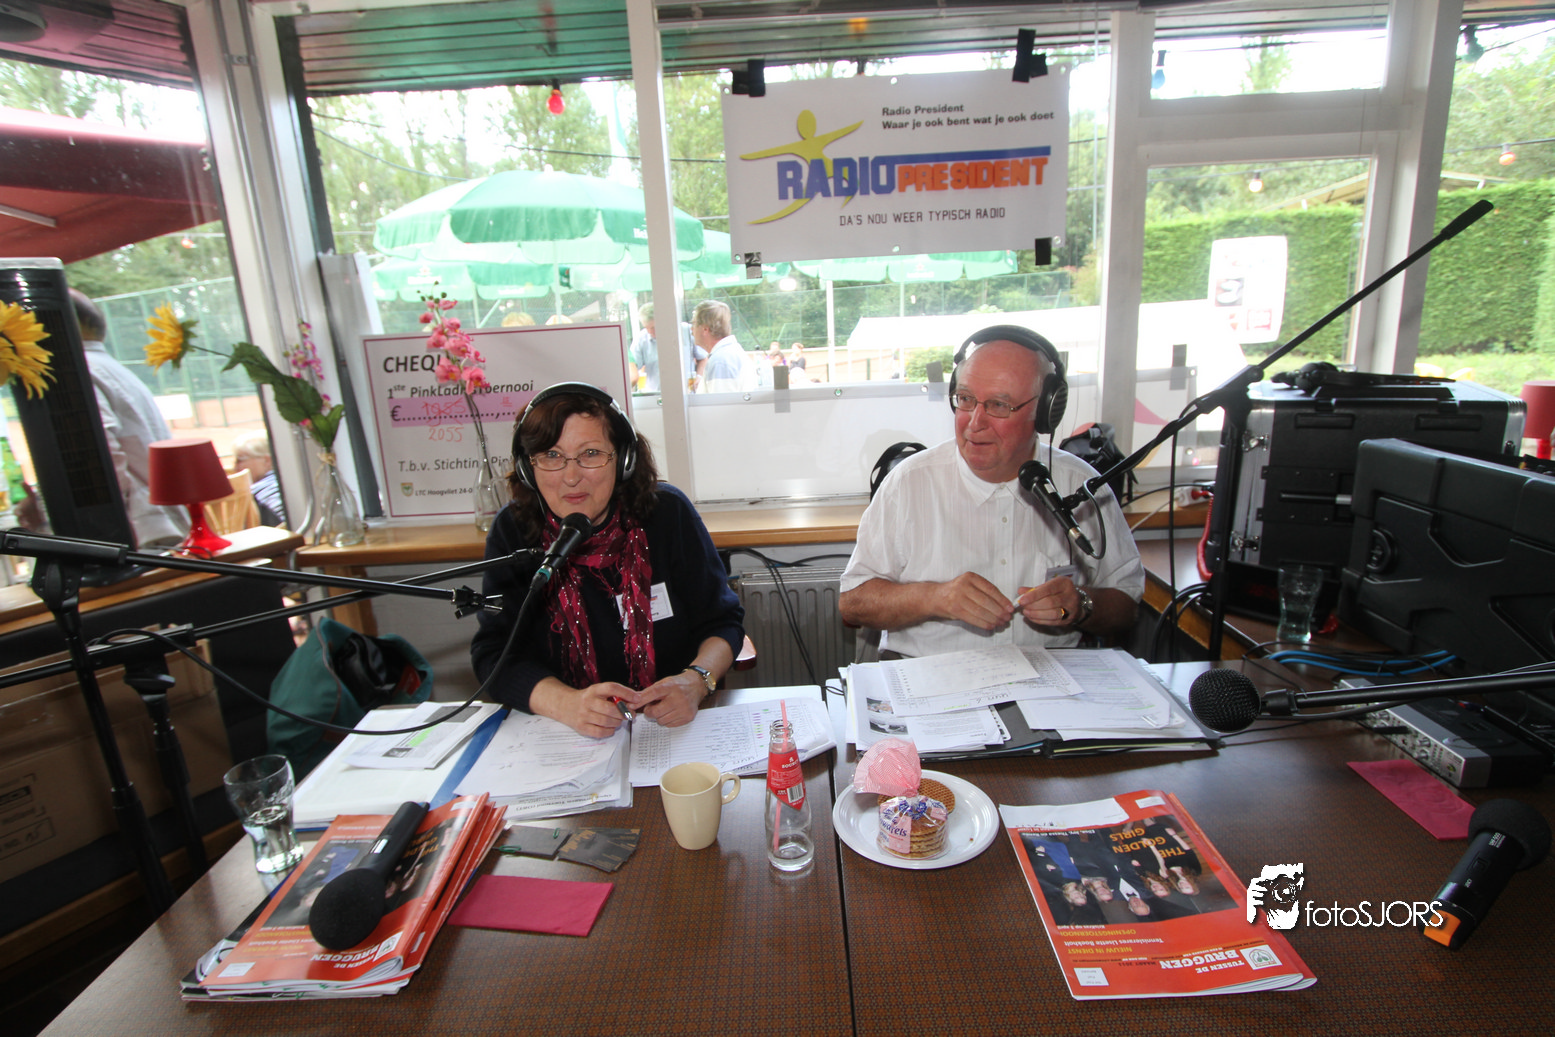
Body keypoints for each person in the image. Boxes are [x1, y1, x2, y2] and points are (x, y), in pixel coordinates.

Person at [839, 325, 1143, 658]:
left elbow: (1127, 607)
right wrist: (936, 598)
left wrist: (1082, 604)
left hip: (1049, 677)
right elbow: (853, 603)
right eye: (966, 399)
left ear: (1045, 412)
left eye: (999, 405)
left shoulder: (1080, 485)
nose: (974, 422)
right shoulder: (909, 483)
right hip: (931, 675)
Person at [470, 382, 745, 739]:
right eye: (551, 455)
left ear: (624, 460)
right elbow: (494, 653)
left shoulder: (667, 514)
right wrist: (565, 703)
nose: (571, 476)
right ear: (527, 467)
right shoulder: (514, 531)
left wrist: (696, 680)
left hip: (672, 728)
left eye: (590, 453)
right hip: (564, 735)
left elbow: (723, 622)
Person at [40, 289, 189, 548]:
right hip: (159, 521)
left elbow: (103, 456)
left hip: (140, 531)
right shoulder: (109, 368)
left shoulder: (78, 372)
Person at [628, 302, 707, 392]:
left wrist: (699, 377)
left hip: (685, 393)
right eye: (646, 327)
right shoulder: (641, 339)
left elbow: (703, 358)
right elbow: (632, 368)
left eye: (653, 327)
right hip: (655, 395)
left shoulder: (686, 331)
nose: (650, 332)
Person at [693, 300, 757, 393]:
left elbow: (722, 401)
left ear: (705, 329)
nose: (692, 329)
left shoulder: (720, 362)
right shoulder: (728, 355)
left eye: (694, 324)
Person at [232, 431, 285, 525]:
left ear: (267, 461)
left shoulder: (261, 491)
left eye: (240, 460)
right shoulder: (284, 481)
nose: (235, 467)